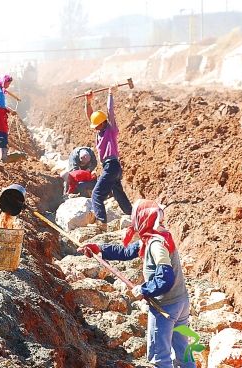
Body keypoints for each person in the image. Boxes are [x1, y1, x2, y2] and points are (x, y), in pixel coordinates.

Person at [78, 199, 195, 368]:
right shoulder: (156, 235)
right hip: (181, 302)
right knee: (183, 351)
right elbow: (126, 252)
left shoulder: (155, 245)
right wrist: (99, 249)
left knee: (160, 357)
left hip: (165, 307)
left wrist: (144, 289)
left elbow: (165, 278)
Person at [85, 86, 132, 231]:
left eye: (96, 124)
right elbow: (91, 116)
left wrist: (110, 94)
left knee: (96, 194)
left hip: (112, 166)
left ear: (104, 122)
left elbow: (110, 112)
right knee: (119, 194)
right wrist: (88, 102)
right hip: (112, 167)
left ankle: (102, 223)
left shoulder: (110, 130)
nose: (94, 127)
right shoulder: (99, 131)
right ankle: (133, 215)